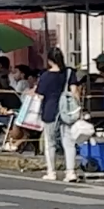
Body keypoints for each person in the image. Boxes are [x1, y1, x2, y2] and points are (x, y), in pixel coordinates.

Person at [34, 48, 80, 182]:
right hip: (67, 111)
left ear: (49, 60)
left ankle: (51, 172)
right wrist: (78, 109)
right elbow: (75, 91)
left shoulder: (45, 76)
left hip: (50, 110)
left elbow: (40, 95)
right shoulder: (69, 72)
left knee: (50, 143)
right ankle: (70, 172)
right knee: (69, 142)